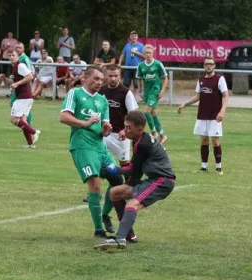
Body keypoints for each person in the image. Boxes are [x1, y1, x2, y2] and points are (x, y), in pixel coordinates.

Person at [60, 66, 127, 239]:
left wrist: (106, 129)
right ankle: (99, 230)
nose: (99, 82)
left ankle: (104, 214)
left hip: (100, 147)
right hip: (82, 147)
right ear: (85, 77)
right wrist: (86, 123)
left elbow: (104, 129)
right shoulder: (75, 94)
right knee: (95, 185)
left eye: (101, 80)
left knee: (117, 179)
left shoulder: (102, 101)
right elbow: (64, 117)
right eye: (96, 79)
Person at [94, 111, 176, 251]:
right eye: (125, 127)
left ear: (140, 129)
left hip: (162, 181)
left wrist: (115, 170)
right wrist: (119, 171)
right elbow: (133, 166)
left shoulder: (142, 144)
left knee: (132, 204)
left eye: (128, 128)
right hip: (153, 179)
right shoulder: (138, 139)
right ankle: (129, 235)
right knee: (115, 192)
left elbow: (135, 172)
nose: (125, 130)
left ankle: (119, 238)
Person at [99, 65, 139, 237]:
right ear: (106, 76)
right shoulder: (101, 91)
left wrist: (125, 130)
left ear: (120, 76)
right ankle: (102, 201)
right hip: (104, 135)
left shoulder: (125, 93)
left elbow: (134, 114)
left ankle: (123, 195)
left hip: (120, 136)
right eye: (110, 75)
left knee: (122, 172)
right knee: (106, 170)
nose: (113, 78)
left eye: (116, 75)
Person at [177, 56, 229, 174]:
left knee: (215, 141)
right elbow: (197, 96)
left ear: (214, 66)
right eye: (206, 64)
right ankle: (204, 167)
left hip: (215, 116)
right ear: (204, 65)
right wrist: (185, 103)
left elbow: (226, 96)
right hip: (202, 115)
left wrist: (222, 111)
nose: (208, 66)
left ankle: (218, 168)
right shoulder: (201, 79)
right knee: (204, 140)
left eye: (211, 64)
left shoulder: (219, 79)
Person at [0, 52, 40, 148]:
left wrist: (17, 84)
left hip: (24, 97)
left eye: (13, 55)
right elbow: (14, 82)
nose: (11, 57)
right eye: (10, 55)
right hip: (25, 97)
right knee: (23, 121)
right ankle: (30, 144)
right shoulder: (14, 67)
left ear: (18, 57)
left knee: (14, 119)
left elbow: (30, 76)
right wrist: (5, 79)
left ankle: (34, 132)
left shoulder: (20, 65)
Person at [136, 44, 168, 144]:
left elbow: (165, 78)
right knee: (153, 114)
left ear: (153, 53)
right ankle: (162, 135)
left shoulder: (158, 64)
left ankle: (154, 133)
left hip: (155, 91)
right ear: (144, 54)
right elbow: (139, 79)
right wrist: (140, 91)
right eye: (146, 52)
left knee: (146, 112)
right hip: (147, 92)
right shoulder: (141, 66)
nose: (148, 54)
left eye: (150, 52)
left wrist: (162, 90)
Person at [119, 31, 145, 95]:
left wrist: (136, 52)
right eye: (132, 36)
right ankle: (126, 97)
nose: (133, 37)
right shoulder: (127, 45)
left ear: (137, 37)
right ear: (130, 37)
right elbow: (122, 54)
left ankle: (134, 98)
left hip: (136, 68)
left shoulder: (141, 45)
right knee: (126, 84)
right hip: (127, 67)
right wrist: (119, 63)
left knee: (136, 84)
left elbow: (144, 56)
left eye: (135, 36)